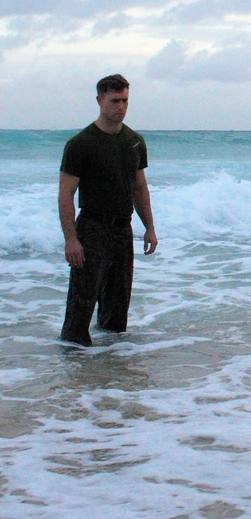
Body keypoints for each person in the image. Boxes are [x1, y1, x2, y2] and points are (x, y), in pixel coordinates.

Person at [59, 74, 158, 346]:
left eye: (125, 100)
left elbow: (139, 188)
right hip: (91, 229)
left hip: (122, 229)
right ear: (100, 100)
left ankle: (111, 374)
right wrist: (71, 239)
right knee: (79, 313)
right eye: (115, 101)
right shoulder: (81, 144)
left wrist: (149, 227)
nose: (121, 107)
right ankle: (74, 375)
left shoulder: (135, 142)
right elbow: (66, 194)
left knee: (117, 314)